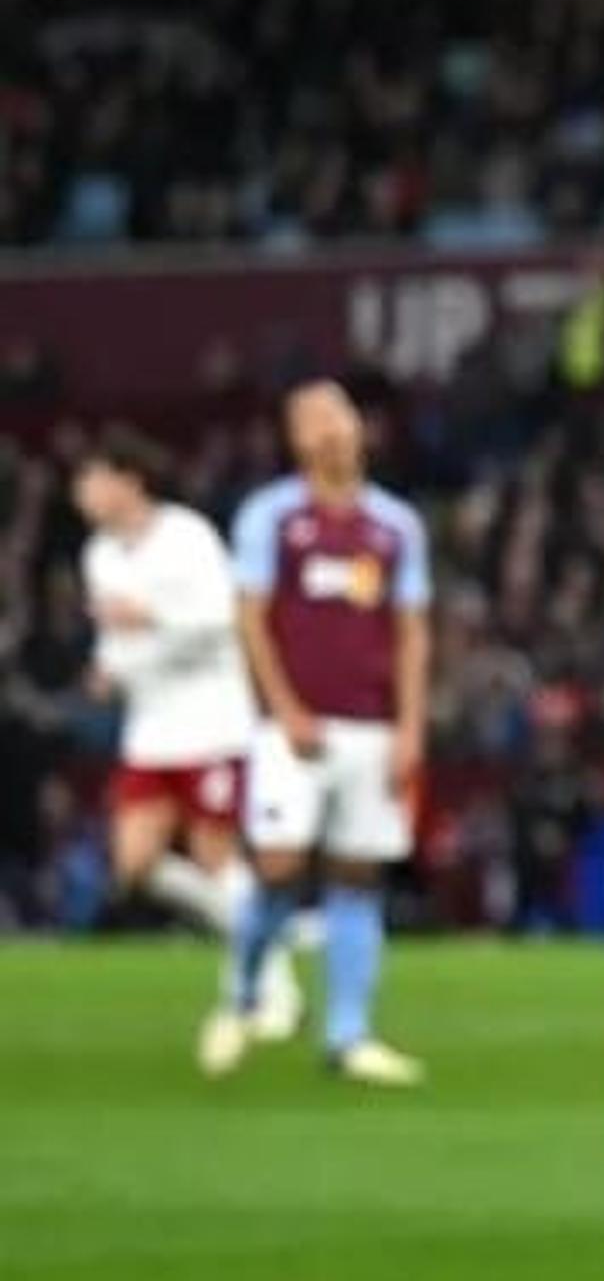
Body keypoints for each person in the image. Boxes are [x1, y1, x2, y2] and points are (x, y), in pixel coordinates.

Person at [217, 380, 433, 1087]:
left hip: (369, 727)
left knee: (357, 874)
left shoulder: (395, 526)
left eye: (339, 416)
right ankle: (244, 991)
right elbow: (250, 618)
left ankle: (348, 1035)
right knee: (279, 866)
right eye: (313, 420)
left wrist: (410, 725)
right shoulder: (271, 518)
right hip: (292, 727)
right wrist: (282, 709)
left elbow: (410, 631)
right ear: (296, 440)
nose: (331, 431)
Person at [73, 426, 298, 1064]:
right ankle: (260, 938)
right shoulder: (101, 556)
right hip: (150, 730)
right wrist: (107, 668)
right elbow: (116, 641)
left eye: (91, 479)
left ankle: (271, 985)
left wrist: (152, 618)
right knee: (134, 865)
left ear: (127, 481)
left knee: (214, 855)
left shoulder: (188, 538)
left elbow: (224, 619)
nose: (81, 492)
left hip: (211, 724)